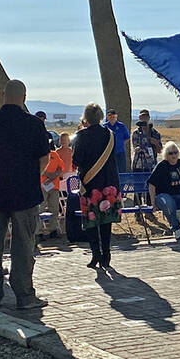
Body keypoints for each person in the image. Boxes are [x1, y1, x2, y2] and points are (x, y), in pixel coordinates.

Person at [0, 79, 49, 310]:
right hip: (25, 194)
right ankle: (24, 296)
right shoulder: (34, 124)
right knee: (24, 247)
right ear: (24, 97)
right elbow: (44, 159)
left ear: (3, 94)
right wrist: (31, 177)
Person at [75, 103, 122, 269]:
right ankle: (106, 254)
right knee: (106, 220)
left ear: (86, 117)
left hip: (90, 183)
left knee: (91, 220)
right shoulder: (110, 134)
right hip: (109, 182)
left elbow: (76, 160)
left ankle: (96, 254)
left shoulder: (82, 135)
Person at [148, 141, 180, 240]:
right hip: (164, 196)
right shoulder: (161, 166)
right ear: (166, 154)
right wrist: (153, 202)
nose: (173, 155)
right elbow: (151, 185)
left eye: (175, 152)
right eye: (170, 153)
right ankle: (176, 228)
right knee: (168, 202)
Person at [39, 142, 65, 238]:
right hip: (42, 185)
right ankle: (39, 232)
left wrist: (55, 175)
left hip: (54, 185)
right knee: (40, 209)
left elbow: (61, 167)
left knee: (54, 208)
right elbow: (37, 167)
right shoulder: (39, 155)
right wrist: (47, 174)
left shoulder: (54, 154)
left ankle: (53, 229)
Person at [103, 109, 131, 174]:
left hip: (120, 152)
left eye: (113, 116)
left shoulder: (121, 126)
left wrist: (121, 144)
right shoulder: (104, 127)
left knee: (121, 171)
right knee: (109, 171)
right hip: (108, 153)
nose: (112, 118)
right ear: (107, 117)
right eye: (110, 116)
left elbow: (127, 137)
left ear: (116, 116)